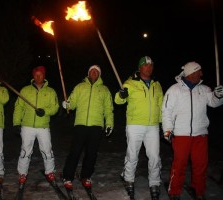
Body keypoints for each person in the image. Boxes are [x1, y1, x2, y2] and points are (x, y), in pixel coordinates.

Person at [162, 61, 223, 200]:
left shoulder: (204, 89)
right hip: (181, 134)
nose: (201, 74)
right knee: (179, 165)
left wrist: (219, 96)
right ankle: (174, 191)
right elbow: (166, 111)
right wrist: (167, 130)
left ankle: (199, 190)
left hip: (200, 134)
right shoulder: (174, 90)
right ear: (191, 73)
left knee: (200, 165)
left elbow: (214, 103)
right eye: (198, 71)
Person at [114, 56, 163, 200]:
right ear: (140, 67)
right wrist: (122, 95)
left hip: (153, 125)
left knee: (154, 156)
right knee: (132, 154)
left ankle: (154, 183)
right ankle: (129, 179)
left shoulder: (156, 84)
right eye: (146, 65)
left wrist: (163, 123)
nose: (149, 67)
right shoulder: (130, 83)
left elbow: (161, 105)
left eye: (151, 65)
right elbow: (118, 100)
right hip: (135, 124)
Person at [62, 65, 114, 190]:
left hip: (96, 126)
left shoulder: (105, 90)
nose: (94, 72)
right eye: (92, 70)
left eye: (96, 71)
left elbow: (109, 109)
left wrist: (109, 124)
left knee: (91, 154)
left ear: (99, 74)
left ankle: (86, 176)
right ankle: (68, 176)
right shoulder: (80, 87)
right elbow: (72, 103)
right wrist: (67, 104)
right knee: (75, 152)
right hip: (80, 124)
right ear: (88, 73)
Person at [13, 66, 59, 188]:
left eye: (40, 74)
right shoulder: (25, 90)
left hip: (43, 126)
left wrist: (45, 111)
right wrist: (16, 122)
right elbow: (18, 107)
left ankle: (50, 172)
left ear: (44, 76)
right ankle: (22, 174)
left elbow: (55, 107)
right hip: (27, 126)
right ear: (33, 76)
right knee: (25, 151)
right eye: (36, 75)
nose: (38, 77)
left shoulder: (50, 91)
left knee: (47, 150)